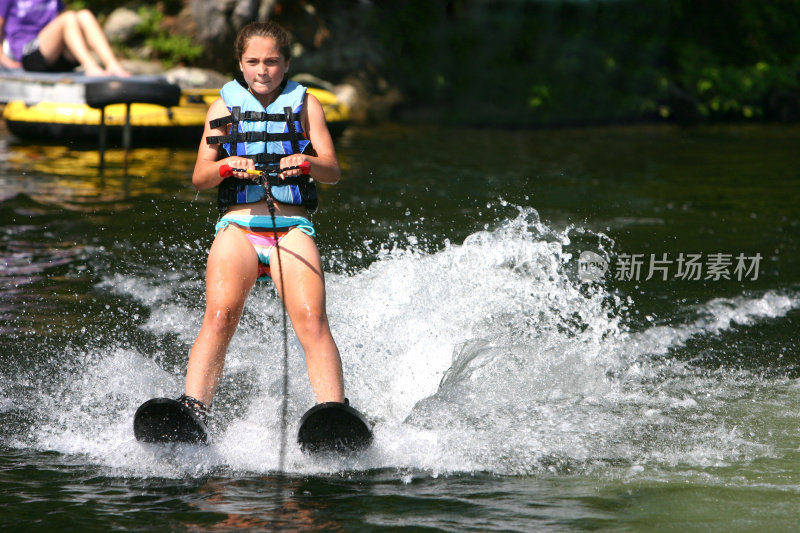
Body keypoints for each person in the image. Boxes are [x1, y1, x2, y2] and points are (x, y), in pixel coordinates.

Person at [181, 21, 344, 425]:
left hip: (290, 229)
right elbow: (200, 177)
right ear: (240, 63)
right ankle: (193, 411)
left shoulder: (307, 106)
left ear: (286, 64)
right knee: (219, 316)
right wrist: (225, 167)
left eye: (271, 61)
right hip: (238, 227)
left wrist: (307, 162)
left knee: (311, 318)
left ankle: (334, 414)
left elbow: (332, 171)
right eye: (253, 61)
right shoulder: (222, 110)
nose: (262, 70)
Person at [0, 0, 129, 76]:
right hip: (30, 55)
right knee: (68, 17)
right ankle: (89, 66)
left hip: (57, 57)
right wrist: (3, 59)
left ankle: (112, 64)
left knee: (84, 15)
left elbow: (69, 27)